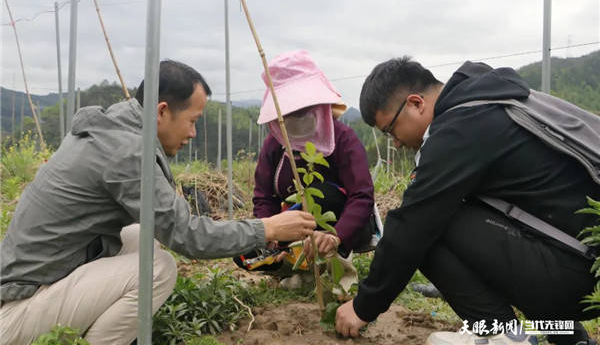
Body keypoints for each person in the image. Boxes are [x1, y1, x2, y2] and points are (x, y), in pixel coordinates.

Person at [0, 60, 316, 345]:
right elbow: (190, 237)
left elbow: (168, 222)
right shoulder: (127, 152)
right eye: (192, 121)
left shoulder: (112, 132)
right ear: (162, 111)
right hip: (15, 310)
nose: (193, 133)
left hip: (38, 281)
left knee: (141, 236)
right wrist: (268, 229)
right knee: (158, 269)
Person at [335, 57, 600, 345]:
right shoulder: (490, 100)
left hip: (581, 277)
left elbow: (411, 225)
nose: (395, 143)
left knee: (430, 226)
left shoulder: (459, 129)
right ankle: (570, 339)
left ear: (415, 103)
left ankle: (499, 335)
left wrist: (364, 306)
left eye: (390, 130)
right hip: (581, 262)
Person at [250, 49, 375, 289]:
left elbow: (362, 196)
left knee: (323, 195)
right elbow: (263, 196)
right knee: (247, 249)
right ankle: (293, 267)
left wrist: (336, 235)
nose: (298, 118)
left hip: (340, 227)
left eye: (304, 110)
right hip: (290, 230)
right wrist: (272, 233)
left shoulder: (344, 139)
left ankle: (331, 266)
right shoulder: (274, 145)